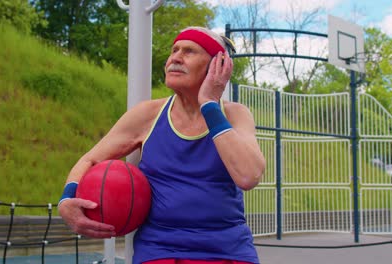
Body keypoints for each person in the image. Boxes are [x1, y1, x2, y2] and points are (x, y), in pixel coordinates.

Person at [58, 26, 266, 264]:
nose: (175, 58)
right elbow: (90, 160)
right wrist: (66, 199)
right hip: (161, 250)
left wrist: (209, 103)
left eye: (189, 51)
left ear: (216, 66)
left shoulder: (234, 114)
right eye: (174, 50)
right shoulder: (148, 114)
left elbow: (249, 176)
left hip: (227, 250)